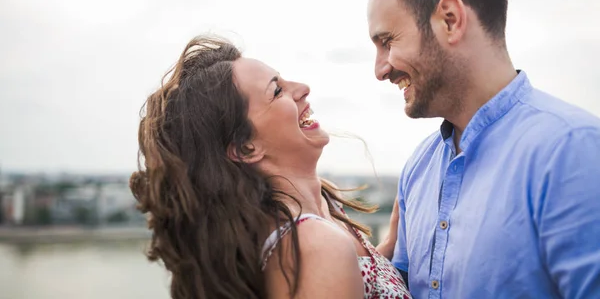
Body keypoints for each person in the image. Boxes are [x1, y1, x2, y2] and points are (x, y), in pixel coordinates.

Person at [360, 0, 600, 299]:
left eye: (388, 40)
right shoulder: (417, 171)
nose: (380, 68)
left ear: (450, 20)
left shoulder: (573, 153)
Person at [129, 36, 412, 299]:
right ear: (245, 148)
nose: (302, 89)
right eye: (277, 91)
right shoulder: (314, 247)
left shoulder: (323, 207)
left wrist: (384, 257)